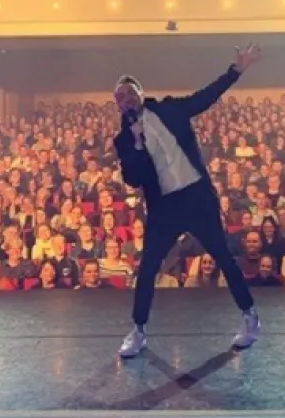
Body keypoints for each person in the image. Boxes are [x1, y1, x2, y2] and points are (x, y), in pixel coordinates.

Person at [113, 44, 263, 358]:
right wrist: (137, 144)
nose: (126, 99)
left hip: (196, 198)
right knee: (148, 268)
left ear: (141, 93)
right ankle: (138, 330)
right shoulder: (123, 140)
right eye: (120, 97)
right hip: (164, 208)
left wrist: (236, 70)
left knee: (222, 256)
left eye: (129, 93)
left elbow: (204, 98)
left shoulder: (169, 109)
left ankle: (249, 317)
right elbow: (133, 179)